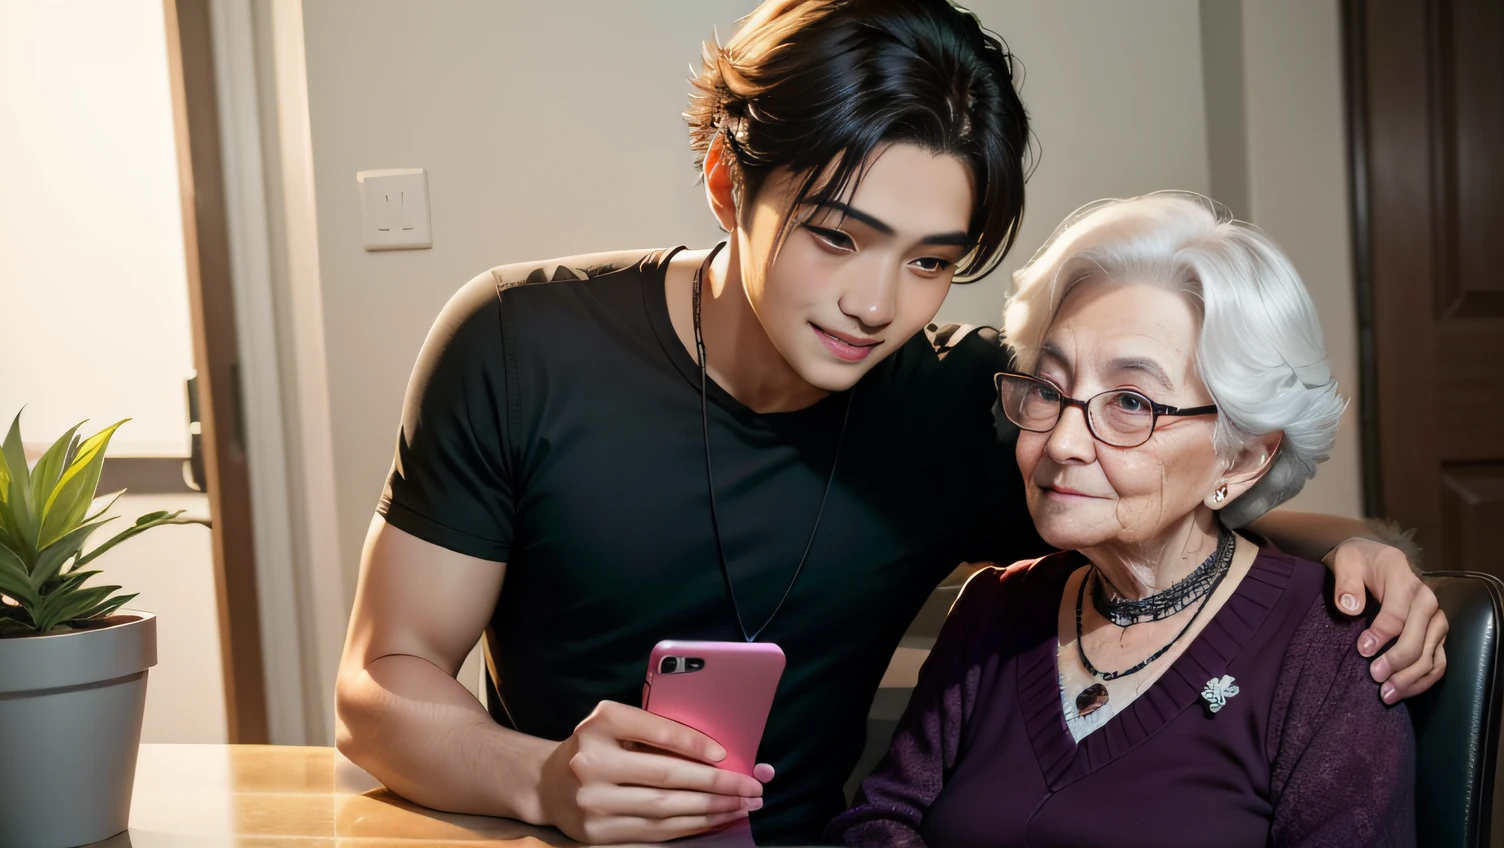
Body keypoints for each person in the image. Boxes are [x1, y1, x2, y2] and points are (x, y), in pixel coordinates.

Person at [334, 2, 1445, 844]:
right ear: (728, 182)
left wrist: (1366, 562)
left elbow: (1168, 496)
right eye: (836, 236)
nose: (878, 303)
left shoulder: (968, 401)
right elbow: (378, 681)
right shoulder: (518, 342)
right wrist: (539, 779)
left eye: (929, 261)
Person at [827, 192, 1417, 847]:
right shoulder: (994, 611)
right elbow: (876, 822)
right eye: (1049, 390)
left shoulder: (1328, 650)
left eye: (1131, 402)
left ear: (1243, 457)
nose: (1061, 443)